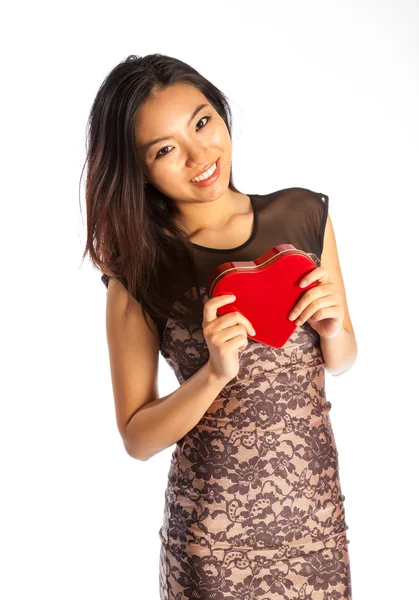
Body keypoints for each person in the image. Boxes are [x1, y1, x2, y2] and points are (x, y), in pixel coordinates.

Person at [83, 53, 357, 599]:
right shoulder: (140, 274)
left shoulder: (302, 217)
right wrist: (212, 374)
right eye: (165, 150)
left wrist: (332, 328)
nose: (199, 155)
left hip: (316, 523)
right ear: (137, 169)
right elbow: (137, 437)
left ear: (222, 114)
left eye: (203, 122)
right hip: (214, 539)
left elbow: (342, 356)